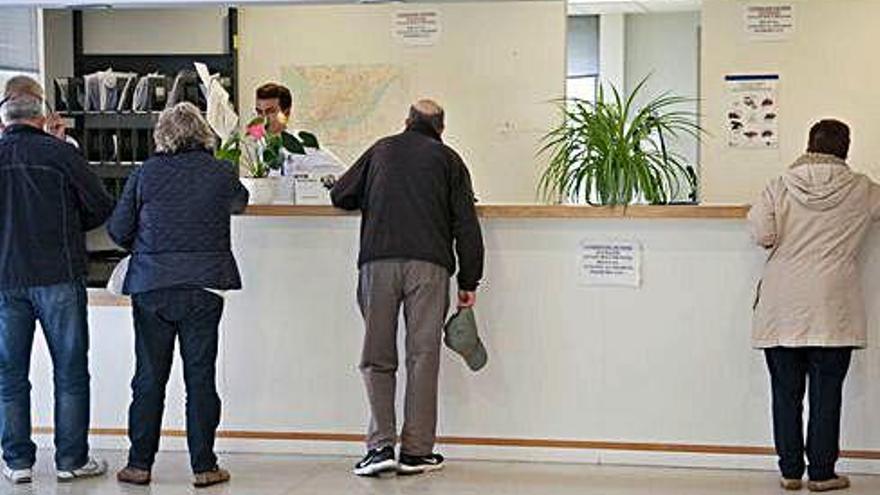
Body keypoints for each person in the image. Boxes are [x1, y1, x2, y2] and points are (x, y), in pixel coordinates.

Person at [331, 99, 485, 477]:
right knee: (423, 357)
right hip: (430, 267)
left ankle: (381, 447)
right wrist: (469, 280)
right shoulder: (450, 160)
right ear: (441, 130)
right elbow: (467, 224)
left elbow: (340, 195)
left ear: (406, 122)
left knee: (377, 355)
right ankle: (416, 452)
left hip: (379, 261)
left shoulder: (381, 149)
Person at [107, 102, 249, 488]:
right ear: (203, 133)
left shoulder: (146, 173)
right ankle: (204, 466)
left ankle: (138, 464)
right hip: (204, 286)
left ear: (162, 135)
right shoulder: (221, 170)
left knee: (148, 378)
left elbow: (118, 231)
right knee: (200, 378)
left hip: (152, 286)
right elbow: (240, 202)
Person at [748, 119, 880, 492]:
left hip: (781, 302)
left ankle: (790, 472)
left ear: (809, 144)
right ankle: (822, 474)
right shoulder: (862, 189)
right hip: (833, 304)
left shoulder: (778, 186)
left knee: (785, 394)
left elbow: (763, 234)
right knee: (826, 393)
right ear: (846, 149)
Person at [0, 83, 114, 484]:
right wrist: (67, 221)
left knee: (9, 374)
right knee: (70, 369)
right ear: (40, 117)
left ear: (5, 120)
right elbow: (101, 206)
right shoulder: (61, 154)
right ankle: (70, 459)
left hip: (5, 278)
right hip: (59, 275)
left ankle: (17, 463)